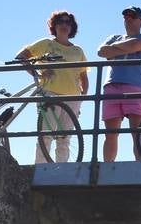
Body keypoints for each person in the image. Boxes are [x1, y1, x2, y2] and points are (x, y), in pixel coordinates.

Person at [15, 10, 88, 163]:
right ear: (54, 25)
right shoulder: (46, 44)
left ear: (72, 27)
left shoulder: (78, 50)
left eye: (68, 22)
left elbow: (84, 76)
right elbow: (21, 56)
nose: (64, 25)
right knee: (46, 135)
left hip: (73, 98)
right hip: (49, 94)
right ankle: (41, 169)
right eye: (61, 21)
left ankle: (62, 171)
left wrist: (82, 98)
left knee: (65, 138)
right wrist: (37, 74)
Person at [97, 6, 141, 161]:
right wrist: (127, 47)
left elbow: (136, 46)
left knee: (137, 132)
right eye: (126, 17)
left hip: (135, 87)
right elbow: (101, 51)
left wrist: (115, 50)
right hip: (111, 87)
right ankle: (107, 169)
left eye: (133, 16)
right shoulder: (114, 37)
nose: (128, 19)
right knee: (110, 134)